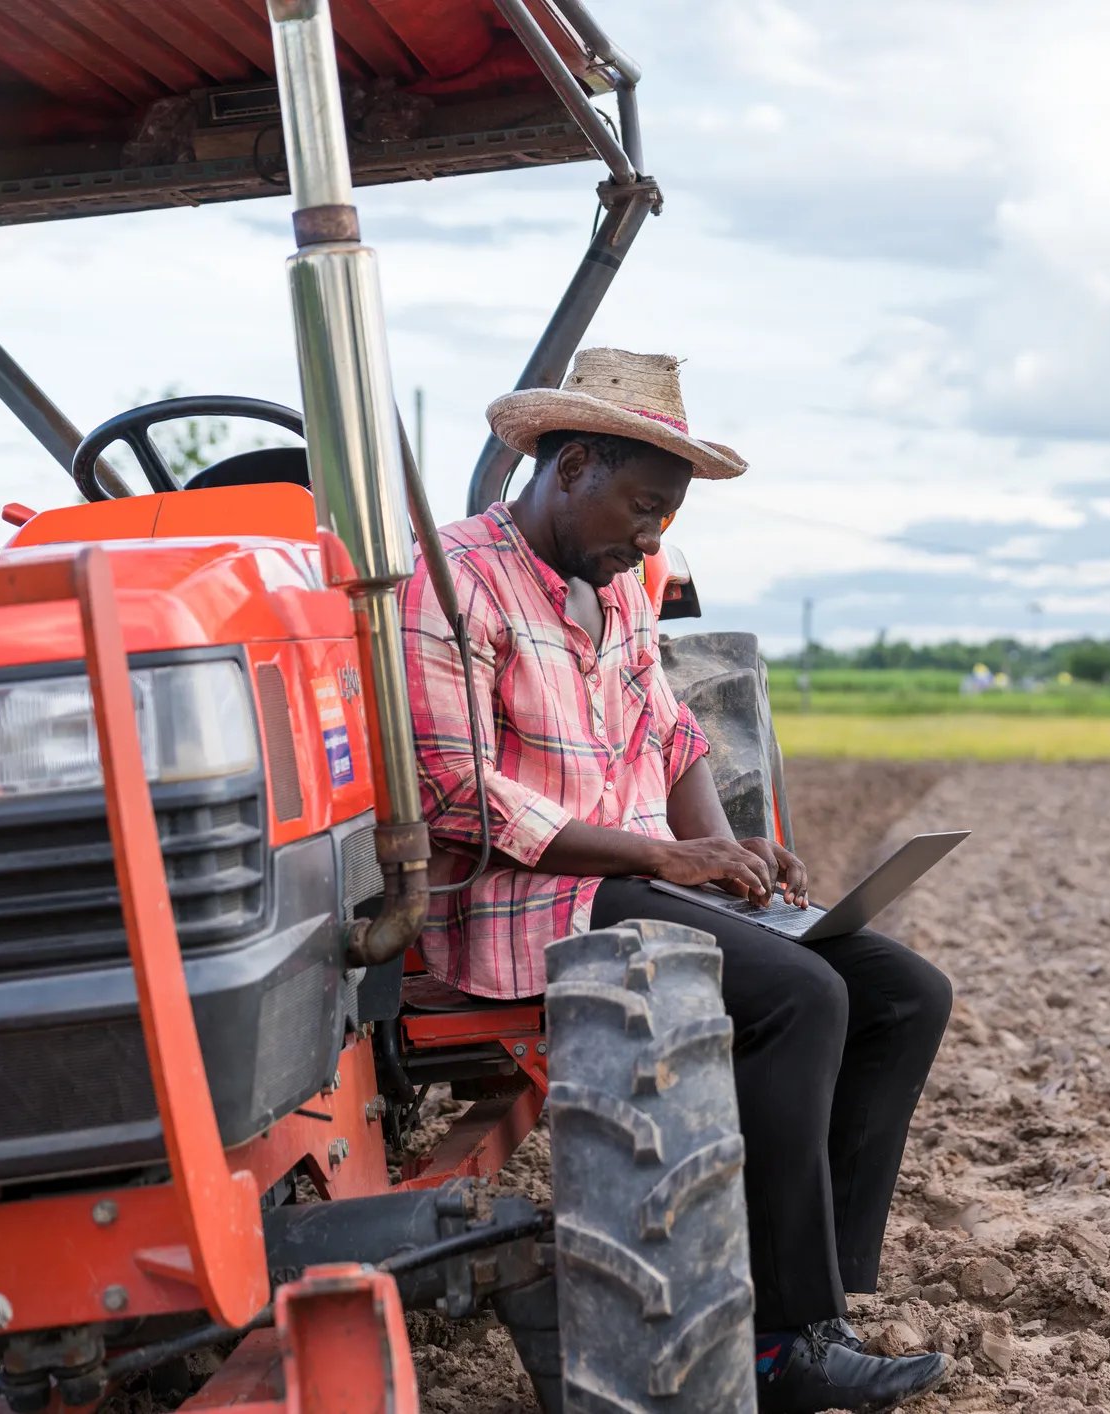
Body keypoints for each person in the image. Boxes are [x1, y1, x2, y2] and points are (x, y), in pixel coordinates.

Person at [402, 348, 952, 1414]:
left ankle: (818, 1292)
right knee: (802, 997)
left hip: (631, 875)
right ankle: (778, 1345)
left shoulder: (614, 587)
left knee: (904, 992)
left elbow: (668, 724)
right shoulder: (456, 578)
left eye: (663, 516)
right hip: (530, 899)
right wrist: (663, 856)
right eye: (641, 508)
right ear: (571, 468)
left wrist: (730, 850)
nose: (653, 536)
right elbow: (457, 794)